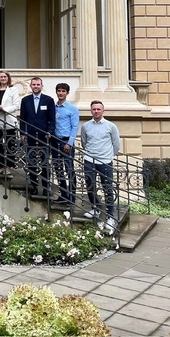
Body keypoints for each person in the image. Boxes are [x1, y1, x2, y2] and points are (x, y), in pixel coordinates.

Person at [81, 100, 121, 234]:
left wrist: (109, 156)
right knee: (90, 185)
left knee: (107, 188)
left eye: (98, 109)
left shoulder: (111, 126)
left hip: (105, 161)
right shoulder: (86, 126)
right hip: (89, 160)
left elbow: (116, 145)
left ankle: (110, 216)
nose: (96, 111)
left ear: (103, 111)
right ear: (91, 111)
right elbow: (84, 142)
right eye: (94, 109)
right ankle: (95, 208)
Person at [20, 77, 56, 196]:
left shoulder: (49, 100)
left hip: (44, 137)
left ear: (42, 86)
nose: (36, 86)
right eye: (34, 84)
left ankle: (46, 188)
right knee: (31, 163)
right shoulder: (25, 100)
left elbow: (52, 119)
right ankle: (34, 186)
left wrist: (50, 131)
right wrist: (22, 133)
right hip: (30, 135)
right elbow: (23, 118)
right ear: (30, 86)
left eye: (38, 84)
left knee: (45, 163)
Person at [0, 71, 20, 176]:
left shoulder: (13, 90)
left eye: (5, 76)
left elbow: (16, 105)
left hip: (9, 120)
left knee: (10, 144)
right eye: (1, 77)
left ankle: (8, 166)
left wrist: (4, 109)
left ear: (8, 78)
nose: (3, 78)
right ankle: (0, 166)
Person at [53, 83, 79, 204]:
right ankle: (63, 194)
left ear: (67, 93)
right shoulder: (53, 107)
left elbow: (75, 127)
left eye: (63, 91)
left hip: (66, 141)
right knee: (58, 169)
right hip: (54, 140)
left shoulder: (72, 108)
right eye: (59, 91)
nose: (61, 93)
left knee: (69, 169)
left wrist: (70, 143)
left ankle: (72, 197)